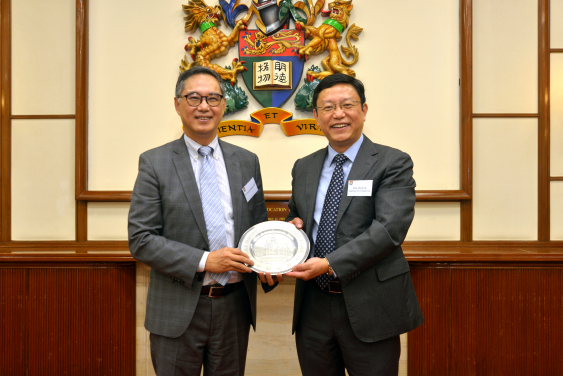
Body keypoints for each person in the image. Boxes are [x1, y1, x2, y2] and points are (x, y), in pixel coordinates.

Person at [128, 66, 278, 376]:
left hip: (233, 308)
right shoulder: (155, 163)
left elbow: (258, 227)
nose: (204, 106)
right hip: (178, 306)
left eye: (212, 98)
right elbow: (141, 240)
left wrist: (275, 256)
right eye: (194, 97)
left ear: (224, 105)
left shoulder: (246, 161)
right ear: (177, 104)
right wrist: (207, 260)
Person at [284, 73, 424, 376]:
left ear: (364, 110)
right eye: (328, 107)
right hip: (313, 306)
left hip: (371, 303)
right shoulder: (304, 167)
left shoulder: (392, 162)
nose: (338, 114)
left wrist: (329, 263)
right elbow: (297, 217)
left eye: (347, 105)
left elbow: (389, 229)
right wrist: (287, 233)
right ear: (316, 116)